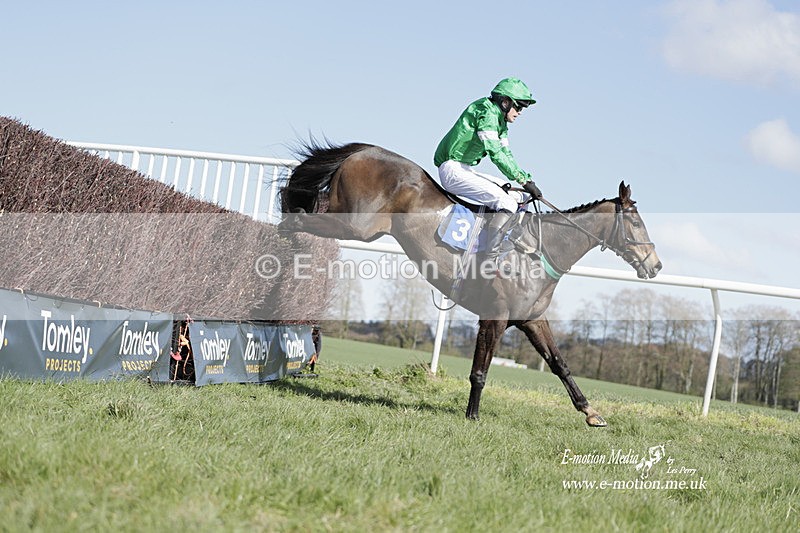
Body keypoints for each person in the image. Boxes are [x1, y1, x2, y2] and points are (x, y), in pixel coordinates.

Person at [434, 77, 543, 271]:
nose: (520, 113)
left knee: (522, 197)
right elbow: (496, 154)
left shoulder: (501, 122)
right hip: (452, 170)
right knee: (507, 203)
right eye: (518, 108)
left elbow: (506, 154)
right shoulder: (487, 113)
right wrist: (523, 180)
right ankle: (489, 261)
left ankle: (507, 249)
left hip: (464, 169)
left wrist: (527, 180)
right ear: (505, 102)